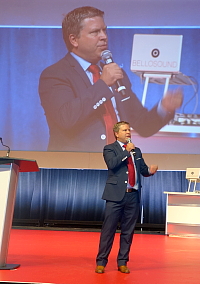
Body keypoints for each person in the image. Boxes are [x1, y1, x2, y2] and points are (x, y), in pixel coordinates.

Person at [39, 6, 183, 152]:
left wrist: (164, 108)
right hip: (76, 169)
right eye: (95, 32)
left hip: (117, 166)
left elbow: (142, 125)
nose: (104, 36)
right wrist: (103, 84)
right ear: (74, 40)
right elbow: (66, 119)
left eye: (104, 30)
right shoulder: (55, 74)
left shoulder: (115, 73)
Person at [95, 121, 158, 274]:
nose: (128, 132)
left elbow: (142, 169)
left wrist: (150, 171)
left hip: (133, 196)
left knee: (128, 232)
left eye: (129, 129)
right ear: (117, 133)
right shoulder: (109, 148)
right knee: (108, 230)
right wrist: (126, 152)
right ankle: (101, 262)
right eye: (124, 130)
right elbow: (112, 164)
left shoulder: (137, 150)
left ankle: (122, 262)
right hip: (115, 196)